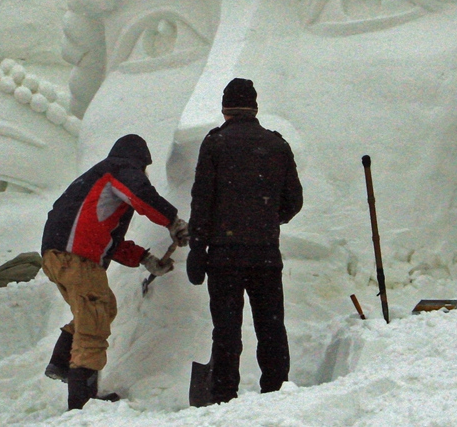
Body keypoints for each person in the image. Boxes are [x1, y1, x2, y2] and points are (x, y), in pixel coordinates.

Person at [41, 132, 188, 410]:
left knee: (98, 309)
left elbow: (108, 240)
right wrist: (173, 221)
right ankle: (82, 401)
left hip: (57, 256)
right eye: (144, 168)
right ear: (139, 161)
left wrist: (145, 258)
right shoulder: (119, 170)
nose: (143, 174)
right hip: (77, 257)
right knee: (94, 319)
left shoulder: (93, 183)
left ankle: (61, 363)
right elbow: (142, 195)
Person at [186, 78, 303, 404]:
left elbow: (202, 200)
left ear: (225, 109)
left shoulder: (215, 144)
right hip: (265, 253)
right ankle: (276, 390)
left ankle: (223, 395)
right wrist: (266, 219)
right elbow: (293, 201)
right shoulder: (276, 145)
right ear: (254, 107)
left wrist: (198, 247)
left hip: (224, 256)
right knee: (271, 327)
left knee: (226, 330)